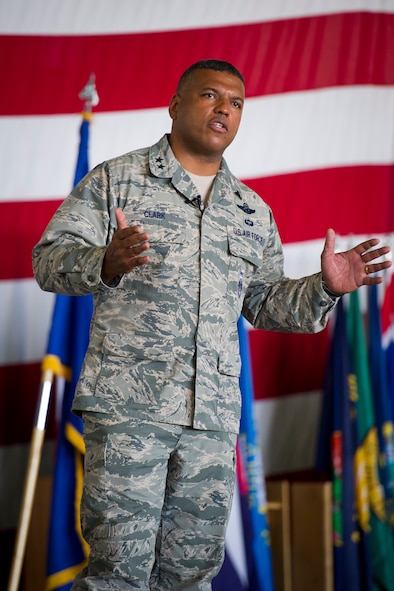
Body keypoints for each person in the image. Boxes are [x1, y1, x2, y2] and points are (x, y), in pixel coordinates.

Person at [32, 59, 391, 591]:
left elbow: (265, 303)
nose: (224, 107)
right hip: (131, 412)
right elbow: (48, 260)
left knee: (193, 578)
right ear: (175, 106)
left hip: (212, 425)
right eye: (209, 95)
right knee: (118, 577)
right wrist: (103, 262)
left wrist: (324, 288)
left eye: (236, 101)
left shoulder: (251, 211)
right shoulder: (117, 179)